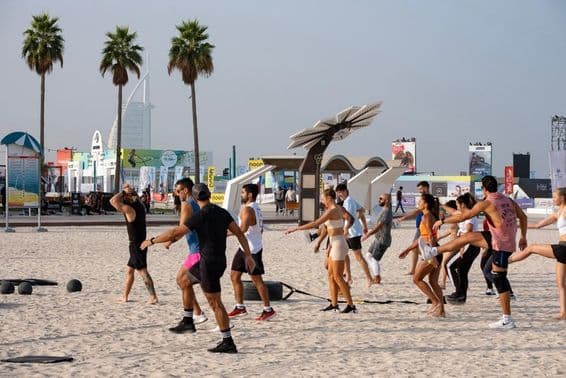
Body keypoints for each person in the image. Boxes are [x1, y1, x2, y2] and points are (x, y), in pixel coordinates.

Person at [141, 183, 255, 354]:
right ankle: (188, 321)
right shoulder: (222, 212)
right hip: (217, 261)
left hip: (208, 263)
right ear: (209, 195)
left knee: (215, 303)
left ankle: (228, 341)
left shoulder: (200, 215)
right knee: (183, 280)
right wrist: (248, 255)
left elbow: (174, 233)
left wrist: (151, 241)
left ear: (194, 198)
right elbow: (239, 233)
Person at [420, 175, 527, 329]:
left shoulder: (487, 202)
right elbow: (523, 217)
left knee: (499, 279)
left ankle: (507, 319)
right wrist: (523, 237)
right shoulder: (508, 200)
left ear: (484, 189)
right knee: (467, 237)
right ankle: (433, 251)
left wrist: (442, 221)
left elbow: (464, 216)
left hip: (502, 245)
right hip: (498, 237)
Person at [286, 188, 357, 313]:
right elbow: (330, 226)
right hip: (334, 242)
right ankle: (334, 304)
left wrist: (296, 229)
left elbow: (315, 223)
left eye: (323, 198)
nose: (322, 200)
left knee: (337, 276)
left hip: (339, 243)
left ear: (328, 198)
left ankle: (351, 305)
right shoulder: (338, 209)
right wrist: (321, 242)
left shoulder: (334, 210)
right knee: (330, 275)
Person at [510, 187, 566, 320]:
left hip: (564, 248)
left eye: (555, 197)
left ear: (563, 197)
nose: (553, 199)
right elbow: (537, 225)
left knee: (532, 247)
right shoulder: (558, 213)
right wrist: (516, 226)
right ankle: (564, 313)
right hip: (562, 248)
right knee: (560, 282)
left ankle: (507, 261)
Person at [164, 178, 208, 333]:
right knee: (187, 282)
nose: (176, 194)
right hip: (197, 249)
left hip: (197, 250)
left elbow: (182, 228)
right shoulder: (196, 203)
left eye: (178, 191)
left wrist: (170, 240)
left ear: (185, 190)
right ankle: (197, 314)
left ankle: (196, 315)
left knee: (183, 280)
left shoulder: (187, 204)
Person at [228, 184, 276, 321]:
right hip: (244, 247)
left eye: (243, 192)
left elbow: (241, 229)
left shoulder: (249, 209)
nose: (241, 194)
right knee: (234, 276)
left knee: (257, 280)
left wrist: (223, 234)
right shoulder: (255, 208)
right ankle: (240, 307)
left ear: (249, 195)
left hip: (252, 250)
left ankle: (268, 309)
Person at [110, 184, 158, 305]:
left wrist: (123, 191)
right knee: (129, 271)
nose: (123, 200)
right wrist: (129, 192)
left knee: (142, 271)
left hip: (136, 245)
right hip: (139, 242)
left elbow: (113, 201)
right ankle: (125, 296)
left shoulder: (130, 209)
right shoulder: (140, 206)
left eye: (125, 198)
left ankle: (153, 297)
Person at [399, 193, 444, 317]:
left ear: (426, 204)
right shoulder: (429, 215)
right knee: (433, 282)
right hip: (436, 251)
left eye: (420, 201)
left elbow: (429, 237)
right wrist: (408, 249)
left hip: (431, 252)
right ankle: (441, 311)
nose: (418, 203)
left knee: (417, 279)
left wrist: (431, 255)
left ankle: (435, 302)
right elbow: (422, 238)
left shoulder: (427, 216)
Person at [335, 183, 374, 287]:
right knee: (344, 254)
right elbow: (362, 211)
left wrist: (346, 229)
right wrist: (365, 226)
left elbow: (350, 218)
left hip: (353, 233)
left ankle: (369, 278)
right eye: (338, 193)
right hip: (349, 232)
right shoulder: (348, 201)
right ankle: (348, 276)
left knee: (358, 257)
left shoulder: (349, 202)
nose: (339, 195)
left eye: (340, 192)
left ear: (344, 191)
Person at [445, 193, 480, 304]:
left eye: (457, 204)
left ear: (463, 204)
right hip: (470, 246)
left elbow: (468, 232)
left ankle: (458, 292)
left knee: (449, 265)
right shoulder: (464, 214)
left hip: (469, 245)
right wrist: (442, 205)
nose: (457, 206)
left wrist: (462, 247)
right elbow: (453, 212)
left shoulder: (470, 216)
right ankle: (461, 296)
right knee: (462, 271)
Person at [396, 181, 430, 275]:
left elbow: (417, 211)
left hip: (425, 227)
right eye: (419, 189)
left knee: (416, 247)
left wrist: (404, 218)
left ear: (426, 188)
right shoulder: (423, 198)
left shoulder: (427, 199)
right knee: (416, 247)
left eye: (421, 188)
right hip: (420, 226)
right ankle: (414, 269)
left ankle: (425, 261)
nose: (420, 191)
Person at [362, 193, 393, 284]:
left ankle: (377, 277)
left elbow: (379, 226)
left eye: (381, 199)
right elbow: (378, 224)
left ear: (386, 200)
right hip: (378, 238)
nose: (379, 200)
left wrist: (368, 234)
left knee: (374, 259)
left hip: (383, 239)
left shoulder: (386, 211)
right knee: (368, 255)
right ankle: (376, 274)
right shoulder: (384, 210)